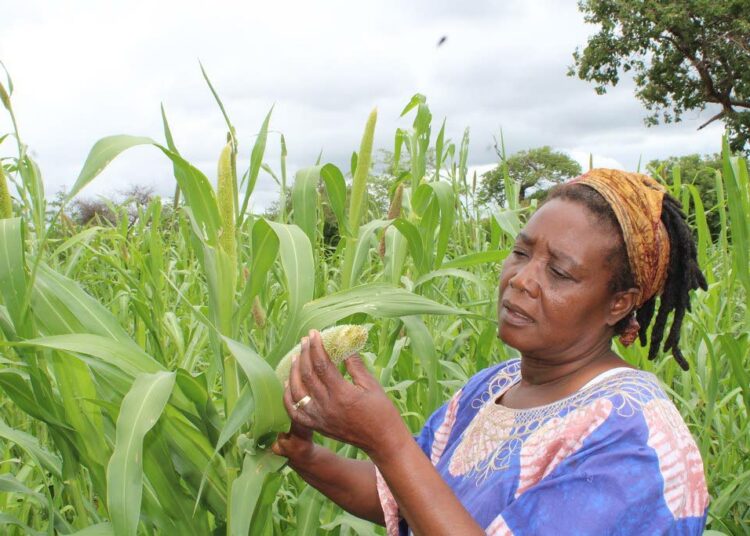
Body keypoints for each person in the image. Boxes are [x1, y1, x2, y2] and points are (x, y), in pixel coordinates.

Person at [272, 169, 710, 535]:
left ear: (619, 302)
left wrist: (386, 441)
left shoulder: (634, 442)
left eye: (558, 272)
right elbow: (408, 495)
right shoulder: (493, 386)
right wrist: (305, 454)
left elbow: (404, 470)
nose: (521, 279)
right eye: (520, 252)